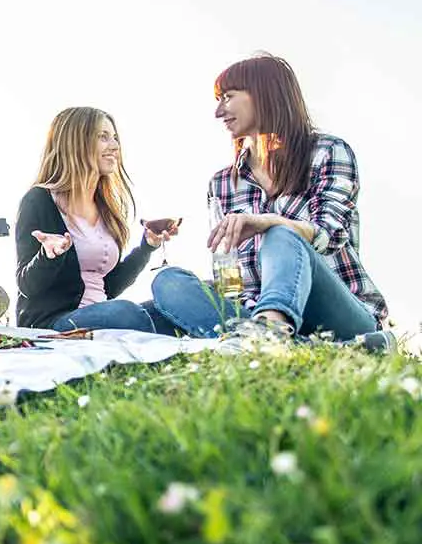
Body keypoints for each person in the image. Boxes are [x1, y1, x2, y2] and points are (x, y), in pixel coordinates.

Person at [148, 54, 392, 348]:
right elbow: (229, 272)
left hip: (339, 314)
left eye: (228, 97)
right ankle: (287, 342)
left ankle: (273, 331)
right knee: (169, 282)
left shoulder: (328, 152)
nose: (218, 111)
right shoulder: (222, 183)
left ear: (263, 95)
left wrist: (267, 222)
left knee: (282, 235)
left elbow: (330, 233)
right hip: (252, 310)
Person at [14, 107, 176, 331]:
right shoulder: (39, 200)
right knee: (126, 312)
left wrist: (147, 247)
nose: (115, 146)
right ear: (76, 142)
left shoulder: (104, 207)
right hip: (54, 323)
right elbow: (27, 285)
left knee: (175, 303)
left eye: (115, 138)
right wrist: (48, 256)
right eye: (103, 137)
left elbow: (107, 287)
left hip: (101, 313)